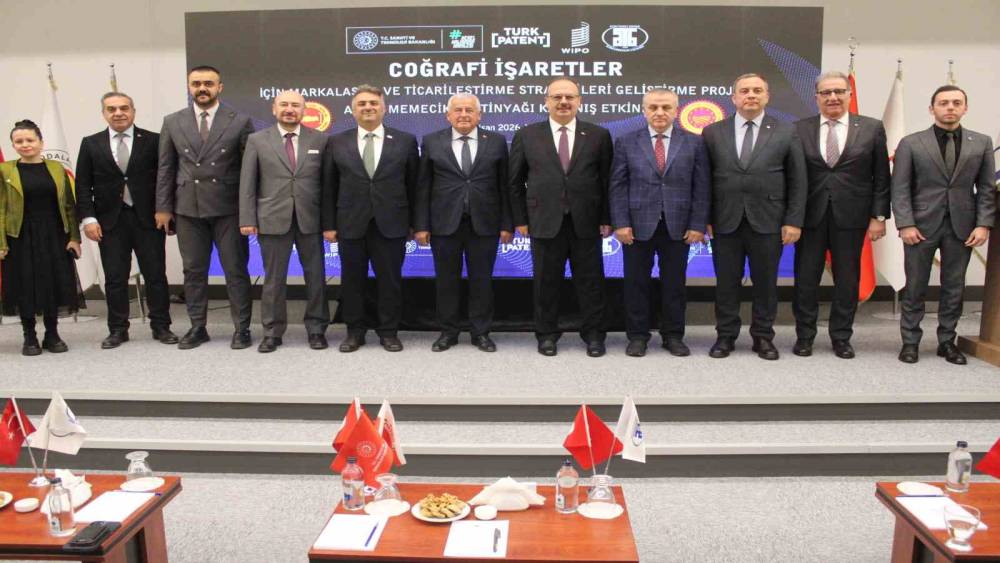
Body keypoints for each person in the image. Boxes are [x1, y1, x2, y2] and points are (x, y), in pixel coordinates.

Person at [701, 73, 807, 360]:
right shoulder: (713, 132)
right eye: (745, 90)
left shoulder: (786, 131)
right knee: (726, 284)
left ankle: (763, 337)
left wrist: (793, 220)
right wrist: (704, 218)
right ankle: (725, 336)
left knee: (766, 283)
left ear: (767, 96)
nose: (751, 95)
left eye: (757, 90)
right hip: (725, 220)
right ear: (733, 97)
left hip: (769, 220)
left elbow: (798, 180)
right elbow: (704, 179)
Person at [891, 85, 996, 365]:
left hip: (963, 227)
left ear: (965, 108)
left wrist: (984, 224)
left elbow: (986, 188)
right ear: (932, 108)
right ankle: (910, 342)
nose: (950, 107)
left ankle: (947, 342)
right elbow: (899, 188)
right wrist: (905, 224)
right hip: (920, 226)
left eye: (956, 103)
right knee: (915, 286)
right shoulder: (911, 143)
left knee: (954, 287)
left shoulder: (981, 142)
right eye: (944, 102)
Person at [509, 77, 613, 357]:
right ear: (546, 101)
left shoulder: (598, 135)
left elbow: (607, 181)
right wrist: (520, 219)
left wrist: (607, 218)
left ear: (579, 101)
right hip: (543, 221)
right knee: (546, 283)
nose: (563, 102)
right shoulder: (527, 135)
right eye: (557, 97)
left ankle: (594, 335)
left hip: (587, 221)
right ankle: (546, 334)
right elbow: (514, 182)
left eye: (569, 97)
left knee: (591, 283)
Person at [792, 72, 891, 359]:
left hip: (852, 217)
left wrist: (879, 217)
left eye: (838, 91)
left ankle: (841, 337)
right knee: (805, 280)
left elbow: (881, 176)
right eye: (826, 93)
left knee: (847, 280)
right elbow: (792, 177)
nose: (832, 97)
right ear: (816, 98)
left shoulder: (871, 128)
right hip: (809, 218)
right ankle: (805, 336)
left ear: (849, 94)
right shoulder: (799, 129)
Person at [155, 65, 255, 350]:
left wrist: (249, 211)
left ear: (219, 87)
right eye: (196, 83)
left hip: (228, 208)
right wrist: (163, 207)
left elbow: (249, 171)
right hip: (188, 208)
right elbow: (166, 167)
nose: (202, 88)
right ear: (189, 87)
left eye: (208, 83)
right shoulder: (173, 121)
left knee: (235, 270)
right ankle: (198, 327)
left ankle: (242, 328)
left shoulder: (240, 121)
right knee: (193, 271)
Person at [609, 88, 710, 357]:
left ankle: (673, 335)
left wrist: (698, 224)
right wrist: (620, 223)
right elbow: (618, 186)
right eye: (653, 107)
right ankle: (637, 336)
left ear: (676, 111)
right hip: (636, 226)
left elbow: (702, 187)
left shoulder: (695, 142)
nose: (659, 113)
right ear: (644, 111)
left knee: (674, 285)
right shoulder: (626, 142)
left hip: (679, 226)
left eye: (666, 107)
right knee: (636, 284)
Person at [322, 85, 419, 353]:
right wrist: (328, 224)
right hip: (350, 223)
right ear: (353, 110)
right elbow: (329, 186)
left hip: (392, 223)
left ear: (384, 108)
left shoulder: (405, 141)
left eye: (373, 103)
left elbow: (415, 185)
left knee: (390, 281)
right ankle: (355, 331)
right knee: (352, 281)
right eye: (362, 103)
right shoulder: (336, 141)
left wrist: (417, 223)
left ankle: (389, 332)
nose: (368, 107)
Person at [76, 92, 177, 349]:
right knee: (114, 278)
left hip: (149, 219)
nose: (118, 113)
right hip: (109, 222)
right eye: (111, 109)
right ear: (104, 113)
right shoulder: (91, 143)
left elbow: (166, 178)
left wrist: (165, 209)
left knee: (156, 275)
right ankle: (118, 329)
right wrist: (88, 219)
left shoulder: (154, 140)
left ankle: (161, 326)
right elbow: (83, 185)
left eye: (123, 108)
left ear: (133, 111)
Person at [413, 93, 513, 352]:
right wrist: (421, 225)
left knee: (482, 282)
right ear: (448, 115)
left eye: (469, 110)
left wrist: (507, 224)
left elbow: (505, 186)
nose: (464, 114)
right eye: (458, 110)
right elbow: (423, 187)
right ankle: (448, 332)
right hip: (444, 224)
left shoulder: (497, 141)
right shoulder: (431, 141)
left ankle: (481, 333)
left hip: (485, 224)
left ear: (479, 115)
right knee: (446, 282)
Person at [239, 90, 330, 353]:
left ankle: (316, 329)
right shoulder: (257, 140)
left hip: (311, 219)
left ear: (304, 109)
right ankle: (272, 332)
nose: (289, 109)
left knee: (316, 277)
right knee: (273, 279)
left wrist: (329, 222)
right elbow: (248, 183)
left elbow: (327, 184)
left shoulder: (321, 139)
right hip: (271, 218)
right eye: (284, 105)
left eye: (295, 105)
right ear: (274, 108)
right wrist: (247, 217)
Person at [0, 120, 81, 356]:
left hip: (54, 235)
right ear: (13, 145)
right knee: (25, 284)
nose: (25, 145)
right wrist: (1, 243)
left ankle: (52, 334)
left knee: (52, 282)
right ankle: (30, 336)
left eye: (30, 140)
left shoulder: (56, 169)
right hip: (19, 236)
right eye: (19, 141)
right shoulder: (6, 171)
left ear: (41, 143)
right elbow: (1, 209)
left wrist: (74, 237)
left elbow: (69, 206)